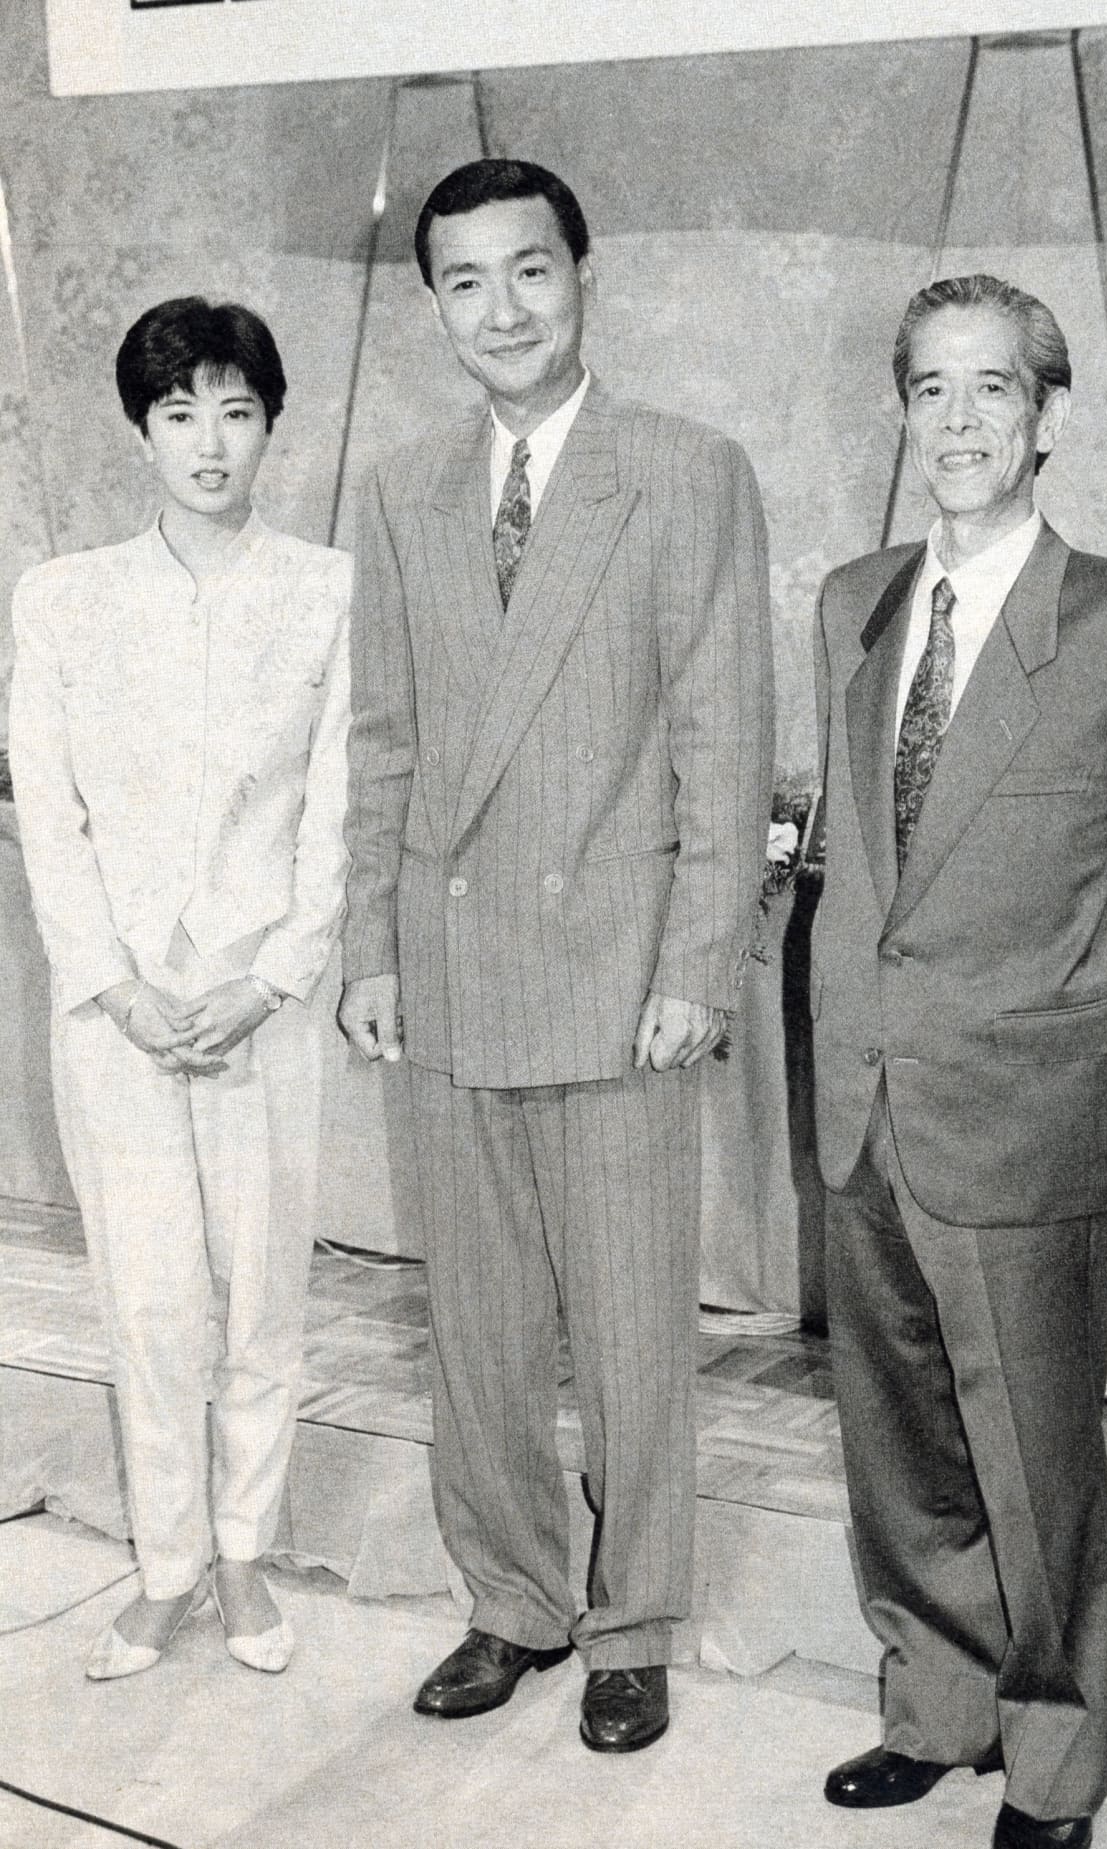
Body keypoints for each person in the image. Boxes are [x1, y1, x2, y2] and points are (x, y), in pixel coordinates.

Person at [339, 158, 773, 1753]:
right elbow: (383, 742)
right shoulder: (401, 488)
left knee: (634, 1322)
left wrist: (698, 962)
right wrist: (369, 944)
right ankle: (513, 1598)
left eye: (530, 269)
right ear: (434, 306)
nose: (503, 309)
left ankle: (633, 1620)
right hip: (450, 968)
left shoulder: (684, 470)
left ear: (585, 276)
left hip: (618, 972)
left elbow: (726, 736)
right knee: (479, 1325)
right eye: (465, 281)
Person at [810, 275, 1107, 1847]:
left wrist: (1068, 1041)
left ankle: (1054, 1763)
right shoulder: (850, 602)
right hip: (864, 1105)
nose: (961, 419)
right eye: (932, 389)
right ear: (903, 413)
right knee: (899, 1440)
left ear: (1048, 416)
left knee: (1040, 1464)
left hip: (1028, 1116)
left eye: (995, 388)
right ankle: (937, 1700)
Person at [9, 297, 351, 1679]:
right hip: (121, 1015)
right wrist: (116, 987)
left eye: (237, 412)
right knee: (149, 1302)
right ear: (140, 430)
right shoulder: (63, 597)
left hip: (262, 1001)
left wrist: (275, 975)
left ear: (271, 425)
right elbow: (49, 817)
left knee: (261, 1292)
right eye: (179, 413)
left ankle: (247, 1555)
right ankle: (166, 1566)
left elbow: (338, 804)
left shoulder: (329, 588)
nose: (210, 443)